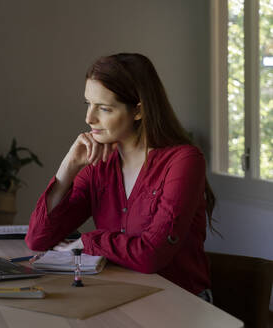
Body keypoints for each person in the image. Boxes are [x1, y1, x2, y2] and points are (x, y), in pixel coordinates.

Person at [25, 53, 216, 302]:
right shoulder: (99, 165)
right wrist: (68, 168)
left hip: (181, 303)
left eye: (104, 108)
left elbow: (150, 256)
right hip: (123, 297)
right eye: (88, 104)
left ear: (138, 111)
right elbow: (38, 239)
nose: (89, 118)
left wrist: (88, 242)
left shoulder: (184, 161)